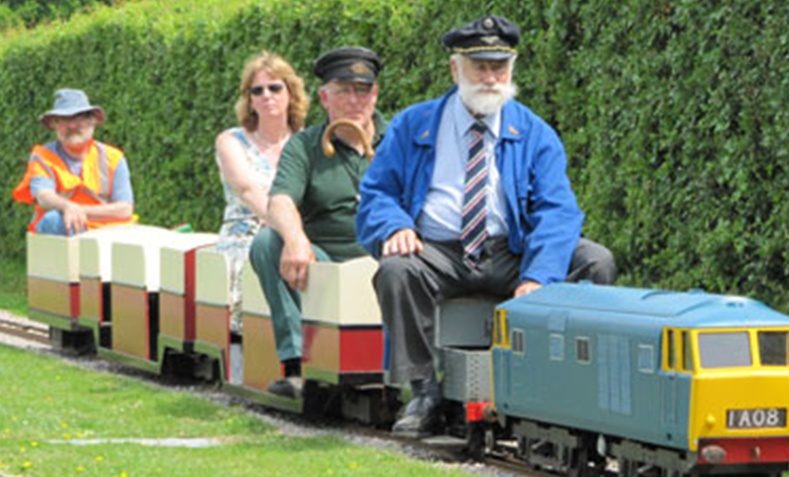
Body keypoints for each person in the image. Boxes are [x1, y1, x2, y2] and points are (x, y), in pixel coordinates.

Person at [355, 15, 617, 437]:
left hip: (510, 251)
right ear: (456, 70)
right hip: (436, 251)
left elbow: (558, 210)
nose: (491, 78)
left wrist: (538, 274)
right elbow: (376, 193)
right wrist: (393, 226)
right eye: (480, 67)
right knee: (396, 270)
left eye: (500, 67)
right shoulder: (413, 124)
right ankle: (423, 392)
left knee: (595, 261)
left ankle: (570, 390)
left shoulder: (535, 133)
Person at [249, 46, 388, 398]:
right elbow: (279, 200)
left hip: (391, 260)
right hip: (325, 265)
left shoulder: (400, 140)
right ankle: (298, 366)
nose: (354, 100)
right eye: (343, 91)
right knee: (268, 242)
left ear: (375, 94)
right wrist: (295, 239)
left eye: (362, 90)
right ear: (325, 97)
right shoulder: (305, 146)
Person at [215, 51, 310, 333]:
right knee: (266, 252)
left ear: (291, 93)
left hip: (301, 236)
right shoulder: (231, 141)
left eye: (275, 87)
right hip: (246, 238)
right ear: (250, 100)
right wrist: (291, 234)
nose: (267, 95)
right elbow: (247, 190)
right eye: (257, 90)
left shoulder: (308, 142)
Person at [12, 88, 135, 235]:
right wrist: (67, 208)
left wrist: (78, 210)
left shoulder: (114, 158)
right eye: (65, 119)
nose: (72, 126)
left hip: (107, 231)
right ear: (55, 124)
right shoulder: (43, 156)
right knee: (54, 220)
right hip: (63, 227)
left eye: (78, 118)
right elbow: (44, 196)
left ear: (92, 122)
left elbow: (125, 209)